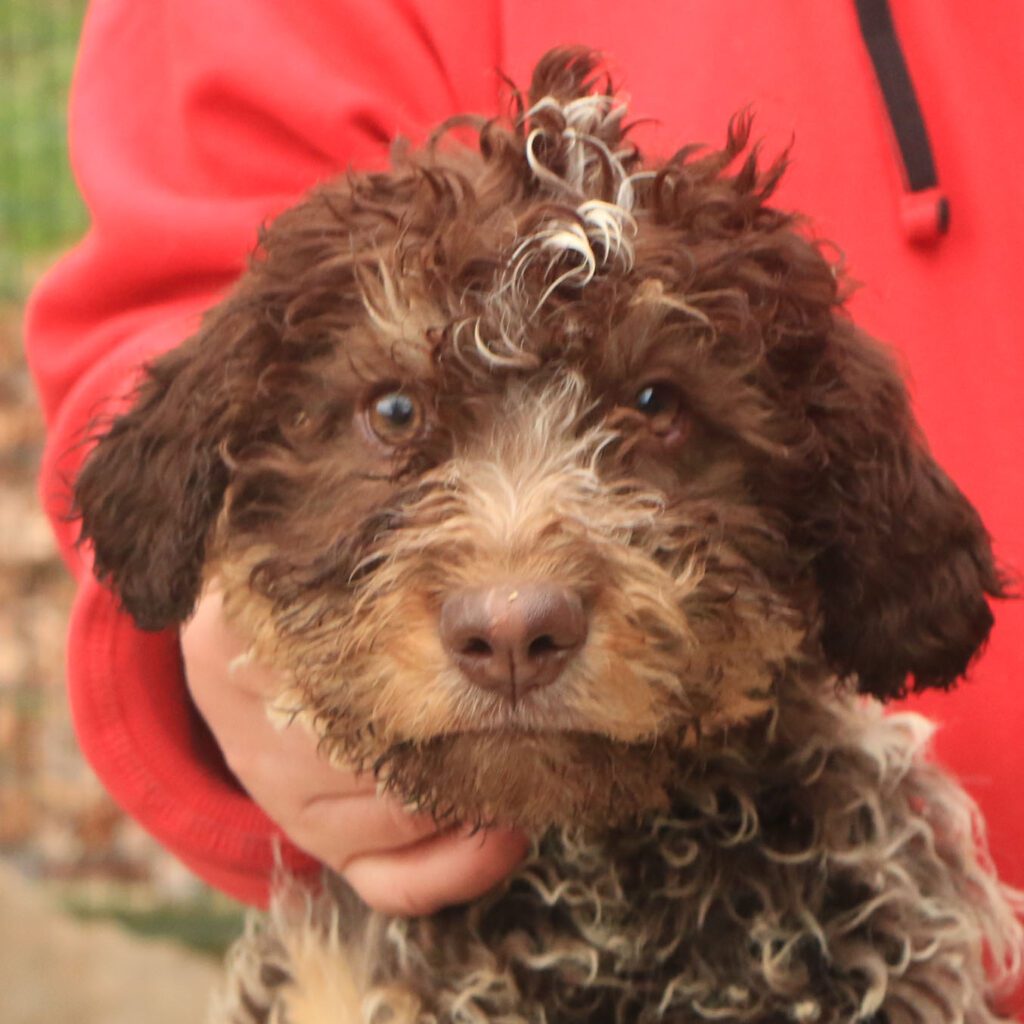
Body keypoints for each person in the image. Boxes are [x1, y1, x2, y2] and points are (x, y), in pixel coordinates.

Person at [24, 0, 1024, 945]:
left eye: (653, 411)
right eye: (397, 414)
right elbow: (192, 259)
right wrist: (205, 633)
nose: (510, 604)